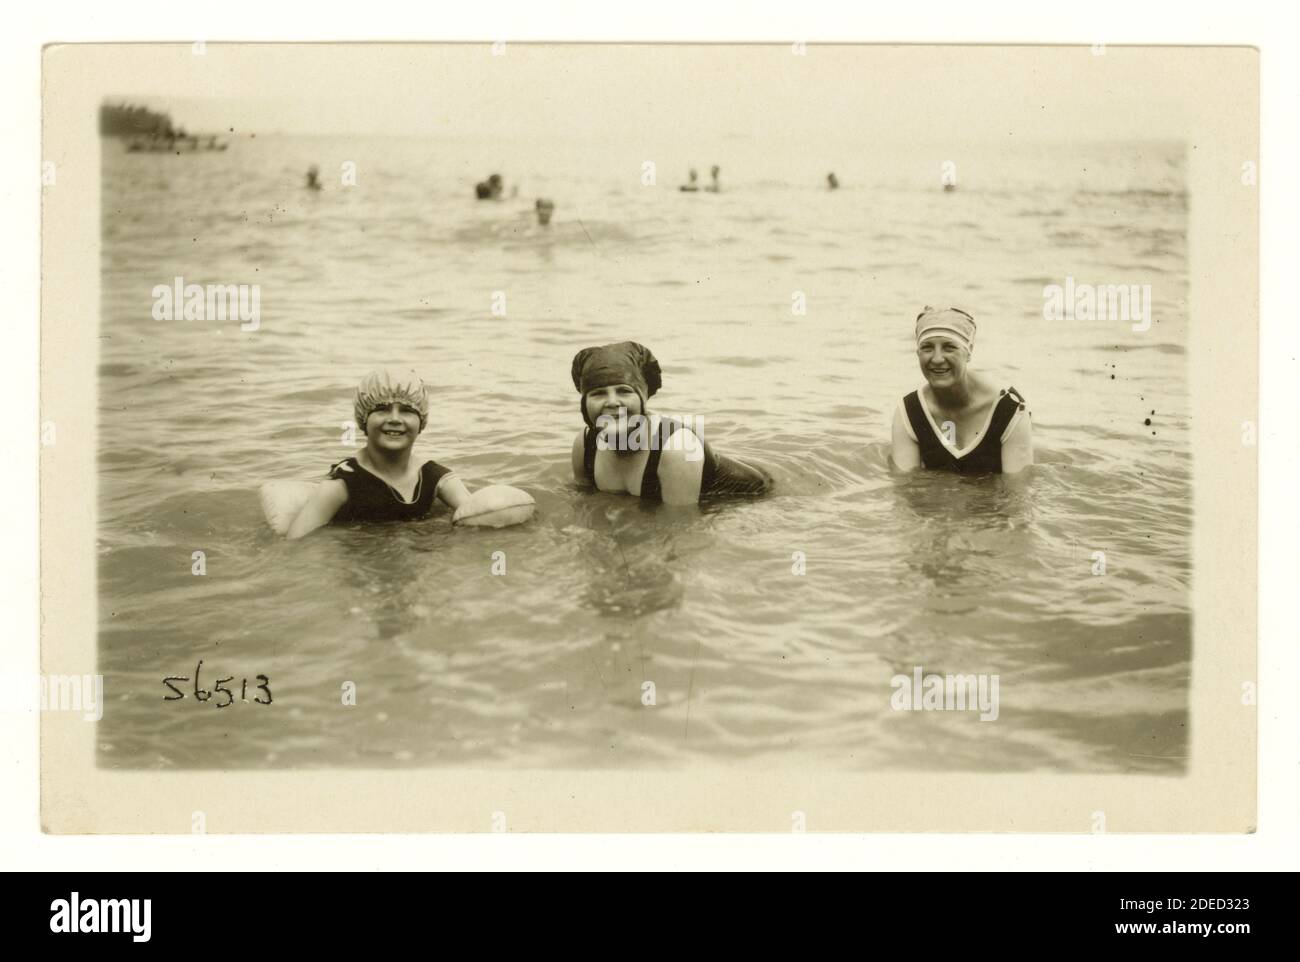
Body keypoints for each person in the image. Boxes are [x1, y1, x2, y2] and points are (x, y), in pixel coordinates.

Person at [570, 341, 771, 505]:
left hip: (751, 499)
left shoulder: (676, 448)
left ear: (643, 397)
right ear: (584, 402)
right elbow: (584, 501)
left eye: (624, 391)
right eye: (598, 393)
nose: (612, 402)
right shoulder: (586, 443)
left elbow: (680, 531)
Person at [286, 372, 472, 538]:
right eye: (382, 408)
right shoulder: (343, 484)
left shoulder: (435, 477)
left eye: (407, 410)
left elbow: (479, 514)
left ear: (421, 422)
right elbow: (296, 546)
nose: (395, 419)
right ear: (364, 419)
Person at [890, 307, 1033, 474]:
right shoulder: (909, 411)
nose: (937, 359)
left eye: (949, 347)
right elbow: (905, 489)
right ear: (918, 353)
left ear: (969, 350)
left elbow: (1017, 494)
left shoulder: (1010, 410)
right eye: (927, 347)